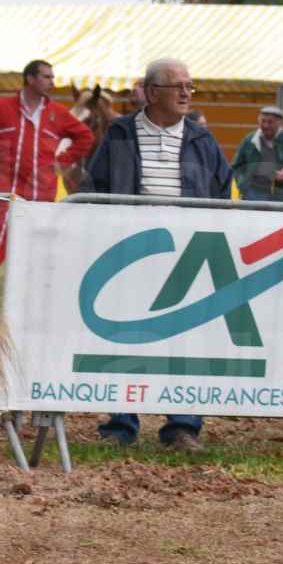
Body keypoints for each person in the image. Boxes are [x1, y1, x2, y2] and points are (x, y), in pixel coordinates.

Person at [84, 57, 232, 451]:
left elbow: (222, 192)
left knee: (186, 344)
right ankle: (120, 426)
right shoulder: (119, 134)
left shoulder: (203, 140)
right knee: (124, 339)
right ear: (151, 93)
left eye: (190, 85)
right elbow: (95, 188)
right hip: (128, 254)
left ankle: (183, 427)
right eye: (177, 85)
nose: (186, 92)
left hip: (189, 256)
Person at [0, 59, 94, 273]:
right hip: (5, 188)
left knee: (39, 251)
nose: (52, 82)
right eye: (47, 77)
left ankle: (34, 301)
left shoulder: (58, 113)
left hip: (42, 191)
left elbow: (85, 136)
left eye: (52, 77)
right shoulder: (1, 108)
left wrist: (62, 162)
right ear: (30, 79)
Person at [231, 105, 283, 202]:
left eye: (270, 122)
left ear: (279, 123)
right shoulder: (250, 140)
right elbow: (236, 166)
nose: (265, 125)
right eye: (263, 121)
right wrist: (243, 185)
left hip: (280, 195)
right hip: (251, 195)